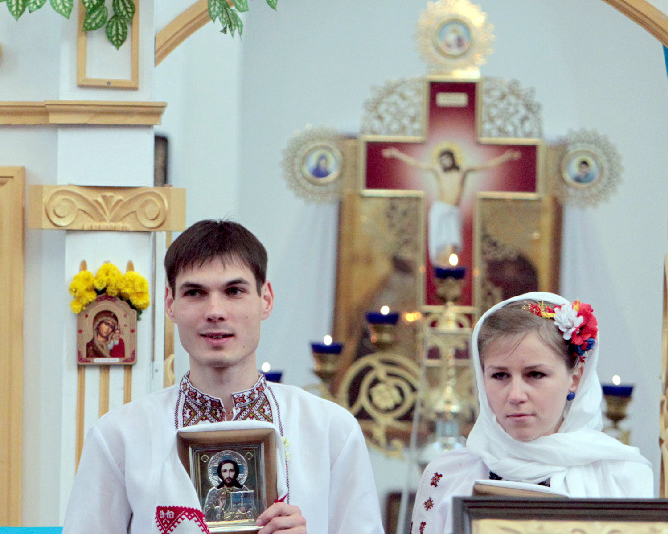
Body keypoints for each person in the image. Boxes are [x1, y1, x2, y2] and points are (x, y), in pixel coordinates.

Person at [63, 219, 384, 534]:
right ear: (171, 304)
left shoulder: (330, 431)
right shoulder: (120, 436)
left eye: (234, 291)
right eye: (195, 293)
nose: (215, 311)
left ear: (266, 299)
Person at [410, 292, 653, 534]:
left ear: (575, 379)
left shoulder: (619, 476)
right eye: (500, 375)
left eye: (535, 374)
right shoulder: (448, 476)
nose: (515, 395)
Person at [382, 145, 520, 266]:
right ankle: (441, 267)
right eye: (441, 160)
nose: (444, 162)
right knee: (438, 240)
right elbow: (416, 164)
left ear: (452, 159)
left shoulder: (463, 170)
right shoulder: (438, 170)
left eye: (446, 159)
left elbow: (485, 166)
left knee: (452, 239)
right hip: (439, 209)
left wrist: (505, 157)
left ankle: (449, 265)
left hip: (453, 210)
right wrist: (396, 154)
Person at [203, 457, 252, 522]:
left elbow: (253, 512)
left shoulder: (243, 490)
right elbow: (207, 516)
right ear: (220, 473)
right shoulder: (214, 492)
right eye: (224, 471)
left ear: (236, 472)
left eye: (231, 471)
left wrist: (244, 511)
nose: (228, 475)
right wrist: (220, 507)